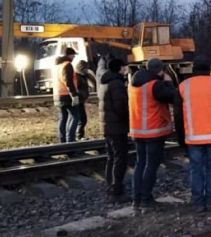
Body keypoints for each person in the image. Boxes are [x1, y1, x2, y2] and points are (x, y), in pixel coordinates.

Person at [174, 57, 211, 212]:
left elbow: (178, 117)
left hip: (193, 138)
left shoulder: (183, 86)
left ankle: (198, 203)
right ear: (208, 70)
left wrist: (181, 138)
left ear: (193, 70)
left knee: (196, 170)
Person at [128, 58, 177, 208]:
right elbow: (173, 96)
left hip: (138, 131)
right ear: (160, 70)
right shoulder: (155, 85)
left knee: (140, 164)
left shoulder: (133, 84)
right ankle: (146, 199)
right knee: (151, 165)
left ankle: (136, 199)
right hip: (153, 131)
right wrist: (168, 81)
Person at [99, 58, 130, 202]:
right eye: (124, 68)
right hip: (117, 127)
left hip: (107, 125)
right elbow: (121, 107)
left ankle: (110, 186)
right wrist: (128, 122)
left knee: (111, 157)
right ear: (120, 68)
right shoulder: (117, 84)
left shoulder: (105, 82)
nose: (126, 70)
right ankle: (117, 190)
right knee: (120, 158)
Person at [53, 48, 80, 143]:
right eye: (73, 55)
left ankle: (62, 140)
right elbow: (68, 81)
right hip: (66, 95)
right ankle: (70, 140)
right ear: (69, 55)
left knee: (63, 118)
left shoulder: (57, 65)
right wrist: (74, 95)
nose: (74, 57)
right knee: (75, 116)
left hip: (57, 95)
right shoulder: (67, 65)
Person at [74, 60, 96, 140]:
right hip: (78, 100)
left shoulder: (83, 76)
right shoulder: (76, 76)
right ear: (81, 68)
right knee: (82, 120)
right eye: (85, 69)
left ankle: (79, 135)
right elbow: (76, 88)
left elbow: (94, 82)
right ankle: (79, 136)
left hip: (81, 100)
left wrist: (89, 75)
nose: (87, 70)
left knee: (82, 119)